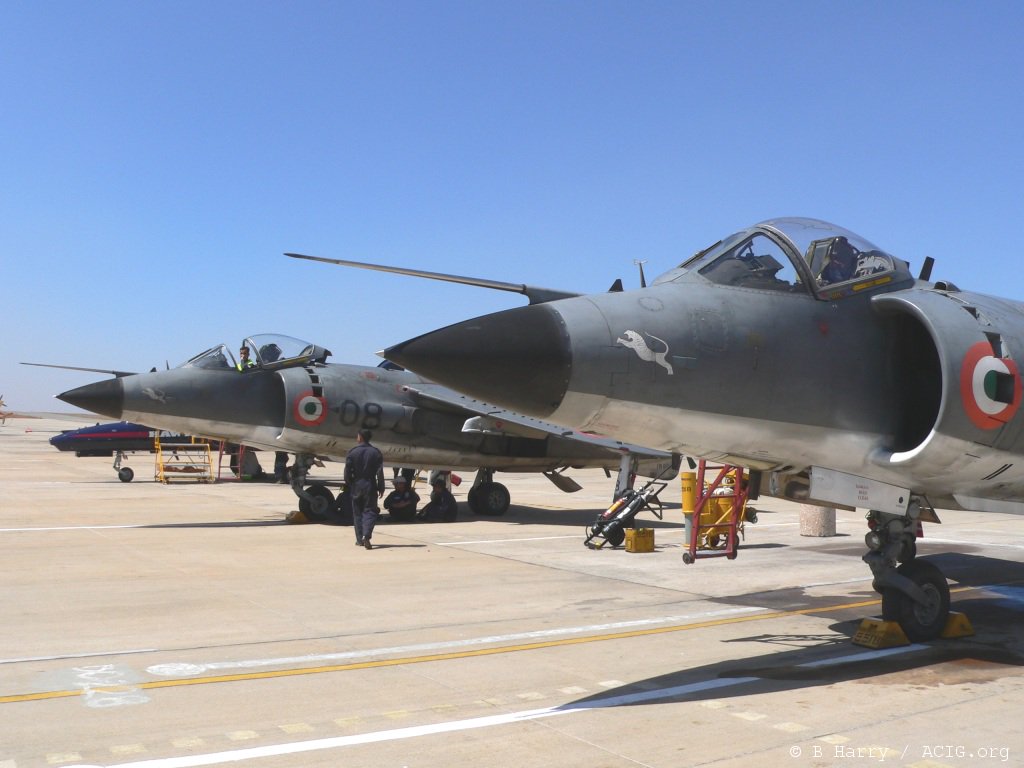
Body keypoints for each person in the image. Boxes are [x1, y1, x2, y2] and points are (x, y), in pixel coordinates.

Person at [344, 428, 385, 549]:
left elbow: (347, 471)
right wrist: (381, 487)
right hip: (370, 484)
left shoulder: (353, 452)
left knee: (357, 513)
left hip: (357, 484)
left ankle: (359, 539)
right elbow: (379, 472)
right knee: (370, 511)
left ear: (360, 437)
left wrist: (350, 483)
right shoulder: (376, 452)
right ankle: (366, 535)